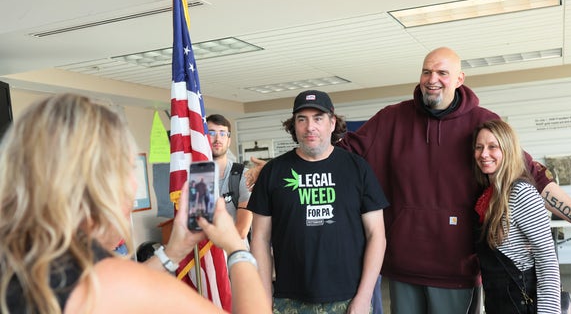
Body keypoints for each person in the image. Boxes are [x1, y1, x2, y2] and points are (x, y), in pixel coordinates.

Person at [247, 47, 571, 313]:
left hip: (457, 271)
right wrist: (279, 169)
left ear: (459, 78)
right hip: (403, 268)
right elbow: (338, 154)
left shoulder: (484, 124)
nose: (433, 79)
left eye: (442, 72)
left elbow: (535, 178)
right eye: (427, 71)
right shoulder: (392, 118)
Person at [0, 94, 270, 314]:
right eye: (129, 169)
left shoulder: (18, 259)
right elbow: (122, 285)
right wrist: (236, 249)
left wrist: (173, 251)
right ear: (102, 182)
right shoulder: (107, 281)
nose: (133, 184)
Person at [248, 90, 388, 313]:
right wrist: (264, 299)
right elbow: (260, 239)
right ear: (293, 125)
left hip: (348, 298)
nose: (309, 127)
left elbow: (377, 236)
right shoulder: (273, 172)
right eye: (301, 119)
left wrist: (364, 297)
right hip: (288, 300)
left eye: (318, 118)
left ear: (332, 123)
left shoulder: (357, 168)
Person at [473, 120, 560, 313]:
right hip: (498, 304)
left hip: (522, 305)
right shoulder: (488, 195)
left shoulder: (521, 193)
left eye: (492, 147)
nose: (483, 154)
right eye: (479, 147)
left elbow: (546, 257)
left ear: (508, 150)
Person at [206, 114, 252, 240]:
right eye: (211, 133)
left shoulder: (243, 175)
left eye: (222, 133)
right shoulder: (194, 178)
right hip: (203, 257)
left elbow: (242, 230)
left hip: (235, 256)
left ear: (229, 140)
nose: (217, 139)